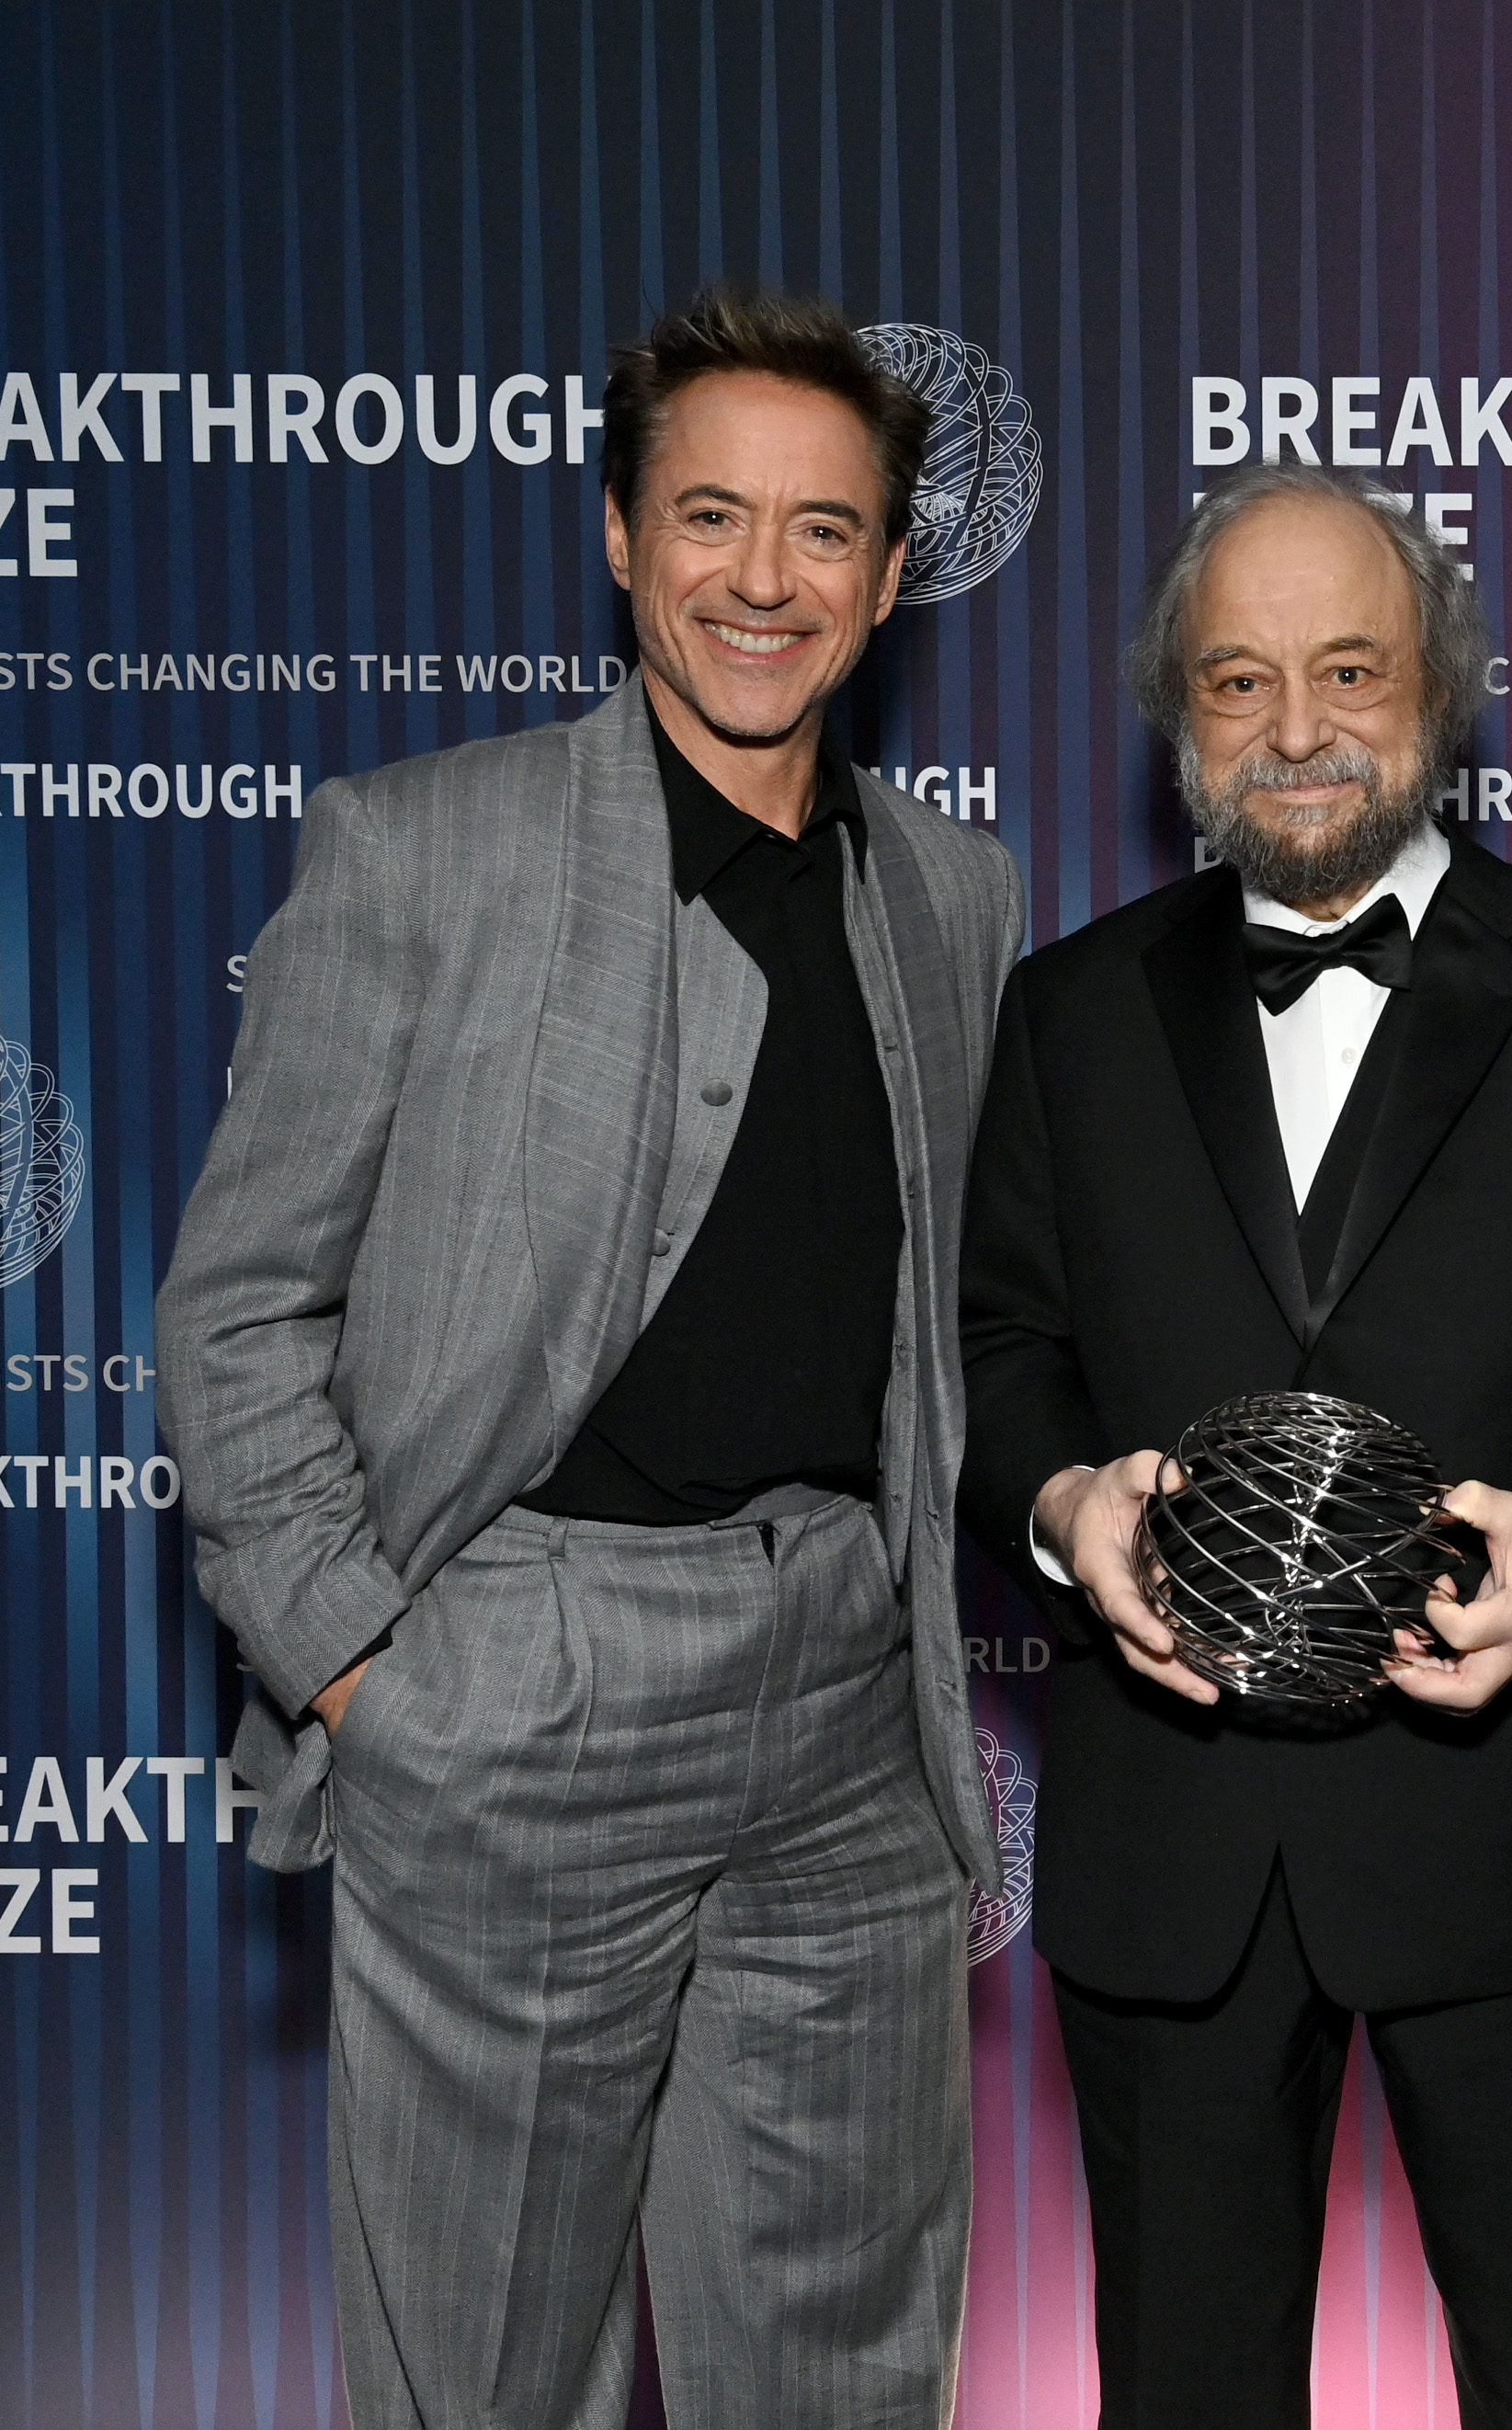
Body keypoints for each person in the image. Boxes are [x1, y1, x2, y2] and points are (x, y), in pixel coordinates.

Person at [154, 287, 1024, 2430]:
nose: (763, 576)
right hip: (519, 1682)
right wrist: (372, 1668)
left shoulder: (958, 891)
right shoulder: (421, 848)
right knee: (483, 2377)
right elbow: (237, 1305)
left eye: (823, 532)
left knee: (836, 2375)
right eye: (710, 516)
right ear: (622, 539)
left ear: (893, 573)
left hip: (849, 1708)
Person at [959, 464, 1512, 2430]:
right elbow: (999, 1347)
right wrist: (1062, 1504)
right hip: (1175, 1833)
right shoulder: (1061, 1015)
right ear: (1177, 715)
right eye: (1238, 680)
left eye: (1348, 668)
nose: (1296, 728)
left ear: (1441, 690)